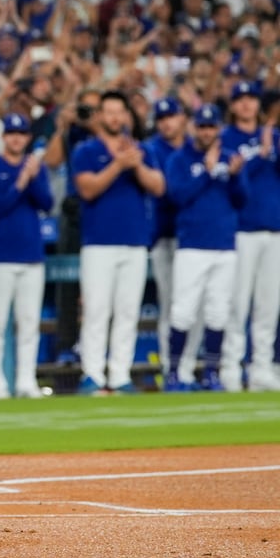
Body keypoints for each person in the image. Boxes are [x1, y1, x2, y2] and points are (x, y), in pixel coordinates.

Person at [70, 90, 164, 395]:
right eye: (107, 112)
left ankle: (121, 373)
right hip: (99, 242)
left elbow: (159, 186)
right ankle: (92, 373)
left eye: (118, 112)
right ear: (99, 116)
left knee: (128, 311)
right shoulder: (86, 150)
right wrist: (119, 165)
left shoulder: (140, 150)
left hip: (134, 241)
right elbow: (87, 189)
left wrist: (135, 164)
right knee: (97, 309)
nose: (113, 118)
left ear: (126, 116)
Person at [166, 104, 246, 392]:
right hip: (192, 245)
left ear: (219, 129)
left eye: (212, 127)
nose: (207, 132)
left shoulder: (230, 157)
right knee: (183, 311)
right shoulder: (180, 159)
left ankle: (211, 373)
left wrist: (235, 176)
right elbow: (177, 196)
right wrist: (207, 172)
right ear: (193, 128)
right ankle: (174, 372)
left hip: (224, 245)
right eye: (202, 126)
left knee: (218, 313)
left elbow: (242, 200)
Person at [0, 113, 52, 400]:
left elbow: (47, 202)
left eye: (21, 133)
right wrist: (21, 181)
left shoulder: (36, 167)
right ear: (4, 137)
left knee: (29, 322)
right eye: (11, 133)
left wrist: (33, 178)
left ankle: (26, 380)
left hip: (31, 256)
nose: (16, 138)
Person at [221, 82, 280, 392]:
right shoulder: (226, 139)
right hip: (242, 230)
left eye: (251, 99)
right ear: (232, 106)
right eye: (240, 99)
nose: (246, 105)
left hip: (275, 229)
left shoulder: (275, 136)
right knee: (238, 304)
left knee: (268, 306)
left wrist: (273, 148)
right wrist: (261, 155)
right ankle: (231, 368)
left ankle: (262, 367)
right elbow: (232, 180)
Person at [144, 98, 194, 388]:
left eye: (171, 116)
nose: (166, 122)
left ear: (182, 118)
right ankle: (170, 366)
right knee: (171, 306)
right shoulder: (152, 148)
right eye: (161, 117)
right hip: (164, 235)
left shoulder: (194, 147)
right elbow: (164, 189)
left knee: (195, 308)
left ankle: (187, 368)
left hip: (195, 236)